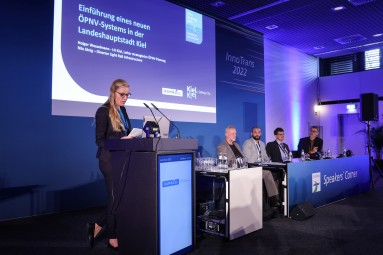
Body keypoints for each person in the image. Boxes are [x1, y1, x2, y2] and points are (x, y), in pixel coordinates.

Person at [89, 79, 133, 250]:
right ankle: (112, 236)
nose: (125, 98)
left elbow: (126, 133)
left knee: (119, 198)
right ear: (113, 92)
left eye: (127, 95)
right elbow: (99, 140)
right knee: (114, 198)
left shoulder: (123, 110)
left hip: (122, 159)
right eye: (122, 94)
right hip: (108, 160)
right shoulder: (103, 111)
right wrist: (119, 141)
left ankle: (97, 226)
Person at [242, 127, 281, 208]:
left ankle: (277, 199)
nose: (257, 134)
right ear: (251, 133)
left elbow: (266, 157)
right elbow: (247, 159)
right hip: (252, 167)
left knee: (276, 172)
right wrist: (257, 153)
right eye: (255, 132)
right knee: (268, 173)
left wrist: (269, 162)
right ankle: (274, 200)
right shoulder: (247, 143)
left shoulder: (262, 144)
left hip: (262, 166)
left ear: (261, 133)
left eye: (259, 132)